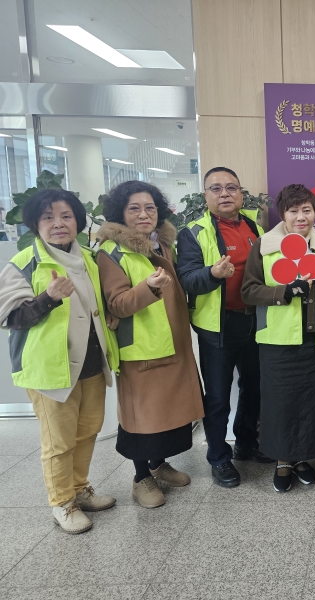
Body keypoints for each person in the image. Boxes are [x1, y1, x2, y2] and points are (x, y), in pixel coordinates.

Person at [0, 189, 118, 533]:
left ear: (78, 222)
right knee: (58, 441)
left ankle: (80, 490)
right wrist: (48, 298)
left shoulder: (90, 260)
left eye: (66, 216)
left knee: (87, 432)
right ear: (36, 224)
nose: (58, 224)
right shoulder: (24, 263)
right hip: (50, 369)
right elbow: (11, 317)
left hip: (92, 363)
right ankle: (62, 503)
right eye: (48, 217)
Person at [97, 181, 204, 509]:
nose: (144, 215)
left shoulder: (161, 245)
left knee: (166, 416)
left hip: (173, 345)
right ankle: (140, 477)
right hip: (141, 350)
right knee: (141, 418)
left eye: (150, 208)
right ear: (120, 213)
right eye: (134, 209)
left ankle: (158, 465)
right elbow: (117, 304)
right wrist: (149, 287)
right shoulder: (111, 252)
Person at [241, 184, 315, 492]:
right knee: (279, 405)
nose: (301, 217)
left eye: (307, 210)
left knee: (310, 404)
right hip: (277, 341)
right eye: (293, 211)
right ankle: (283, 461)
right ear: (282, 214)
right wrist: (284, 292)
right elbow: (248, 291)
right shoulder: (264, 246)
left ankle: (303, 458)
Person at [177, 167, 269, 489]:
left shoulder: (254, 226)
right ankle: (219, 457)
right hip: (218, 327)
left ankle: (246, 443)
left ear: (241, 193)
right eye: (216, 188)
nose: (225, 193)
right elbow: (187, 278)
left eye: (231, 187)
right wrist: (213, 274)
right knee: (217, 398)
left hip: (255, 322)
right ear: (206, 196)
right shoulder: (193, 232)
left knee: (253, 388)